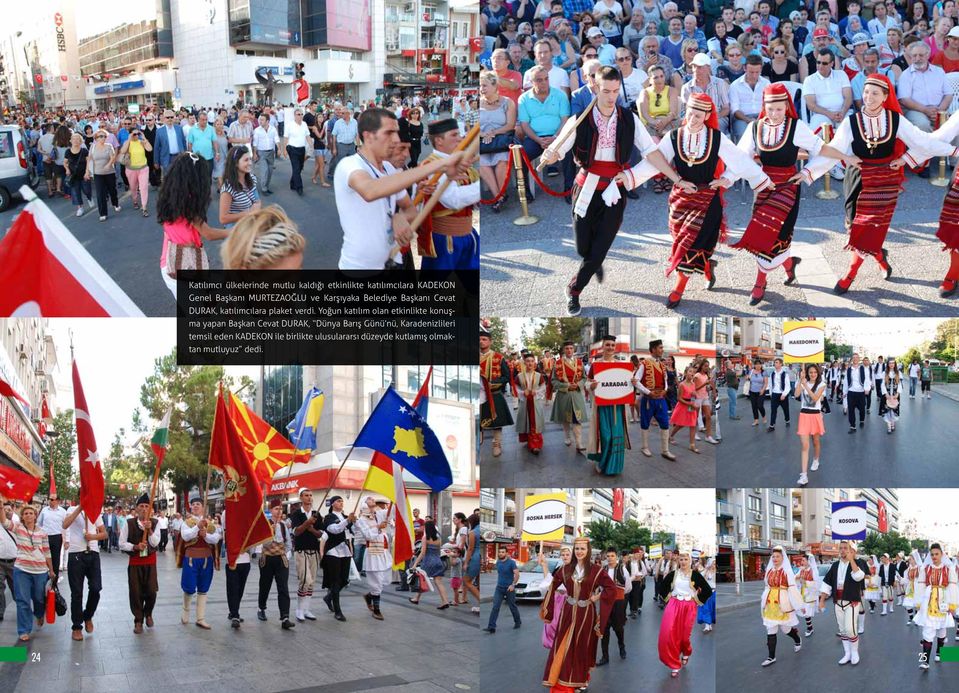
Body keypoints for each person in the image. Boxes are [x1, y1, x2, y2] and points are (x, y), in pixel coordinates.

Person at [541, 67, 685, 315]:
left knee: (600, 246)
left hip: (614, 189)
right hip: (586, 185)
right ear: (595, 88)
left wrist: (675, 178)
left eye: (616, 91)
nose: (611, 97)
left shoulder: (628, 119)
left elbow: (651, 151)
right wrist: (551, 154)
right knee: (583, 246)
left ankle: (574, 290)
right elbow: (557, 150)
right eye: (606, 91)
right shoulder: (580, 119)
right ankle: (592, 261)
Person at [802, 75, 959, 293]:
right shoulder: (851, 122)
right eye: (866, 92)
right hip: (858, 178)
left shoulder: (895, 119)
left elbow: (923, 141)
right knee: (854, 227)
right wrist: (807, 172)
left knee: (871, 227)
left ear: (886, 96)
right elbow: (833, 151)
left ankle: (850, 274)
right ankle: (879, 257)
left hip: (885, 180)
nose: (869, 97)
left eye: (875, 93)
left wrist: (915, 158)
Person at [619, 93, 773, 308]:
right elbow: (656, 162)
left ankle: (678, 289)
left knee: (690, 246)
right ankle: (707, 267)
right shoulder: (674, 136)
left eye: (699, 116)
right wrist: (629, 176)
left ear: (708, 115)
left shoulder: (716, 138)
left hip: (708, 200)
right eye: (690, 113)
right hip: (680, 199)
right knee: (683, 241)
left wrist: (730, 179)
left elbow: (740, 160)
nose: (693, 119)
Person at [732, 85, 852, 304]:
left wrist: (810, 171)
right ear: (764, 107)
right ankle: (789, 265)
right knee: (763, 234)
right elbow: (740, 158)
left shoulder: (796, 127)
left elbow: (821, 149)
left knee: (776, 235)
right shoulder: (755, 128)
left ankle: (760, 283)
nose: (775, 113)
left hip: (788, 186)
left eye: (779, 108)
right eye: (770, 108)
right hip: (763, 187)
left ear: (786, 106)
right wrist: (731, 178)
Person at [335, 108, 467, 270]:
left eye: (396, 132)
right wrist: (441, 164)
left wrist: (400, 217)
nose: (396, 139)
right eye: (389, 133)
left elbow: (411, 210)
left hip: (394, 261)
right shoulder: (349, 165)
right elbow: (370, 191)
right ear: (368, 136)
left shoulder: (389, 170)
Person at [540, 536, 618, 689]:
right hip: (568, 612)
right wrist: (544, 566)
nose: (579, 551)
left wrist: (597, 596)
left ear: (588, 550)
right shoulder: (565, 569)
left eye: (582, 549)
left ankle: (581, 677)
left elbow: (611, 588)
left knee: (582, 645)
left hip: (586, 613)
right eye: (577, 548)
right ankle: (561, 677)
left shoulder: (596, 570)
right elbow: (551, 585)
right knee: (563, 644)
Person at [156, 152, 229, 298]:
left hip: (169, 262)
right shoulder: (189, 202)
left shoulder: (169, 195)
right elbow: (208, 234)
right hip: (186, 266)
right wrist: (235, 231)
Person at [417, 118, 481, 270]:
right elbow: (453, 200)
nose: (460, 138)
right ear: (439, 140)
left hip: (468, 233)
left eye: (459, 133)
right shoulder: (431, 165)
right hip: (445, 239)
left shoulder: (461, 163)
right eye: (454, 135)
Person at [1, 503, 53, 642]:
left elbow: (47, 552)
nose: (28, 515)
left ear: (35, 516)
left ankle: (39, 614)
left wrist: (52, 570)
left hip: (40, 571)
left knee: (38, 598)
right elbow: (5, 522)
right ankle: (24, 630)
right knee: (22, 600)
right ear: (22, 517)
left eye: (31, 513)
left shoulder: (42, 532)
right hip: (22, 570)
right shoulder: (18, 529)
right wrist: (1, 506)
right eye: (25, 513)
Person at [658, 549, 714, 678]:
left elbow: (707, 590)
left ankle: (686, 652)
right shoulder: (673, 574)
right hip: (674, 604)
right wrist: (668, 597)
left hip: (689, 606)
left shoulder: (695, 575)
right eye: (681, 559)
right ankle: (674, 664)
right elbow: (662, 587)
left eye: (686, 559)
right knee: (668, 633)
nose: (683, 562)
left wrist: (696, 599)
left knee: (684, 636)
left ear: (690, 561)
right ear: (678, 561)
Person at [586, 335, 631, 474]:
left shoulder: (622, 365)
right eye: (608, 345)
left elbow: (626, 384)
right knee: (605, 436)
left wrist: (633, 383)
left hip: (617, 407)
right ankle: (602, 462)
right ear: (603, 346)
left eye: (612, 345)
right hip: (602, 407)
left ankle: (614, 467)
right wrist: (591, 386)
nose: (610, 347)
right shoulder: (596, 365)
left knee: (617, 436)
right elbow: (587, 383)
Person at [61, 500, 106, 641]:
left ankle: (88, 615)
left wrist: (93, 537)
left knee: (96, 588)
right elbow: (65, 524)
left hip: (93, 553)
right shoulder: (71, 510)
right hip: (76, 554)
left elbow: (104, 534)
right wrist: (80, 508)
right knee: (77, 593)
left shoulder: (95, 511)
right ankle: (76, 626)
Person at [819, 540, 869, 665]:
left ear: (850, 550)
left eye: (845, 548)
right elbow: (826, 583)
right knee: (842, 630)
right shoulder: (835, 565)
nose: (842, 550)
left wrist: (851, 559)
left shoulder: (857, 563)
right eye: (840, 548)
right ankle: (847, 653)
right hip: (838, 602)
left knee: (850, 629)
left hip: (852, 601)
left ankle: (855, 652)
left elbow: (858, 576)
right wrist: (822, 601)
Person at [176, 495, 221, 630]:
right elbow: (185, 536)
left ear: (203, 507)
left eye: (198, 504)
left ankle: (200, 618)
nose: (195, 506)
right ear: (191, 506)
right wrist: (197, 528)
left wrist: (205, 535)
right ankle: (185, 611)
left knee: (203, 588)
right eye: (193, 504)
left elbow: (216, 538)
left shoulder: (211, 523)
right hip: (191, 560)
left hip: (206, 560)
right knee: (189, 587)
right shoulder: (186, 522)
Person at [118, 494, 160, 634]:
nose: (144, 509)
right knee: (135, 592)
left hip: (150, 563)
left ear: (150, 509)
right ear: (136, 509)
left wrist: (150, 530)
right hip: (135, 563)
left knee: (151, 591)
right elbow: (121, 543)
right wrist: (135, 547)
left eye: (146, 506)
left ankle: (148, 613)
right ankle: (138, 620)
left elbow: (155, 543)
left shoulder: (155, 522)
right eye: (141, 506)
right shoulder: (129, 523)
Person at [914, 543, 958, 669]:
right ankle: (924, 661)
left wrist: (952, 604)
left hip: (943, 600)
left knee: (942, 629)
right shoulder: (925, 568)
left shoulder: (948, 569)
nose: (934, 556)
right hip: (929, 601)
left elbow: (952, 586)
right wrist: (918, 602)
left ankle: (939, 652)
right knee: (927, 631)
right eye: (932, 554)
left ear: (941, 554)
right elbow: (921, 585)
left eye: (936, 554)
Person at [759, 546, 804, 667]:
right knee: (771, 628)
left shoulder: (787, 572)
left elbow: (793, 589)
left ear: (782, 558)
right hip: (770, 602)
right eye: (773, 556)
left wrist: (799, 605)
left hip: (783, 602)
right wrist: (764, 600)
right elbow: (766, 586)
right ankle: (771, 657)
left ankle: (797, 639)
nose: (775, 558)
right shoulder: (769, 571)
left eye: (777, 556)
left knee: (785, 629)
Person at [634, 339, 678, 461]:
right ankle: (645, 447)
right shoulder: (644, 364)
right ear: (653, 349)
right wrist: (648, 392)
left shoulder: (662, 365)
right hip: (648, 399)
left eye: (662, 347)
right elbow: (635, 381)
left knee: (665, 422)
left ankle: (665, 450)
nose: (662, 350)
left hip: (661, 399)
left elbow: (664, 380)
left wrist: (665, 389)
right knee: (645, 423)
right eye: (660, 348)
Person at [257, 502, 295, 629]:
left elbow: (289, 543)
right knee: (265, 585)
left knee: (283, 587)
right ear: (270, 510)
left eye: (281, 508)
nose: (279, 511)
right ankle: (261, 608)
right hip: (267, 558)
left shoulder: (284, 525)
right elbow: (263, 543)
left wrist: (284, 553)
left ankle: (285, 616)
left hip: (281, 559)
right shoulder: (265, 524)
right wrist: (270, 533)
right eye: (276, 508)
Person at [319, 495, 355, 622]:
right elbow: (334, 530)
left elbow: (353, 531)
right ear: (333, 504)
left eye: (342, 501)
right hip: (333, 551)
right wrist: (347, 521)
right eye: (339, 501)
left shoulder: (346, 517)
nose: (341, 503)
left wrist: (354, 521)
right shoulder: (329, 518)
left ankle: (328, 598)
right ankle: (338, 611)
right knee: (335, 581)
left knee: (344, 580)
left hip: (345, 550)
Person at [289, 487, 322, 622]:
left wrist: (312, 529)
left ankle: (306, 608)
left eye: (310, 495)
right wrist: (307, 523)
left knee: (312, 582)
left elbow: (321, 533)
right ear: (301, 498)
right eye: (306, 495)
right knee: (304, 580)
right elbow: (296, 532)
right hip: (301, 551)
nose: (309, 497)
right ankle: (299, 609)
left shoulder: (317, 514)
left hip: (314, 551)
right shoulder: (296, 514)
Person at [551, 340, 589, 450]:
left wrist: (578, 385)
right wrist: (567, 386)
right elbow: (554, 381)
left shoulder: (579, 362)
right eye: (567, 348)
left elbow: (584, 377)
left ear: (574, 350)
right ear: (564, 350)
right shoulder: (557, 363)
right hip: (564, 395)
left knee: (577, 418)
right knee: (565, 418)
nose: (569, 350)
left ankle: (579, 443)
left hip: (576, 394)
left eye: (571, 348)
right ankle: (567, 436)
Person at [220, 506, 252, 629]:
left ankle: (234, 610)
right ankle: (235, 615)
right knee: (233, 588)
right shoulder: (226, 513)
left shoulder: (248, 512)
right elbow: (227, 532)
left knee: (240, 589)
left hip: (246, 559)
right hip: (233, 559)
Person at [795, 364, 827, 486]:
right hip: (804, 415)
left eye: (814, 372)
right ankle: (804, 475)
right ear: (807, 373)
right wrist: (800, 381)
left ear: (818, 373)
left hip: (815, 415)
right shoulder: (804, 382)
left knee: (816, 441)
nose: (812, 374)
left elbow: (814, 398)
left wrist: (806, 386)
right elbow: (797, 395)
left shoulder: (821, 385)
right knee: (804, 445)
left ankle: (816, 459)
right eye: (810, 372)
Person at [409, 520, 452, 609]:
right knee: (439, 582)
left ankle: (416, 598)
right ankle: (445, 601)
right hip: (438, 561)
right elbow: (439, 550)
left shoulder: (425, 538)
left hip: (428, 561)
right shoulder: (438, 538)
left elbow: (423, 553)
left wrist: (415, 564)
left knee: (421, 579)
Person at [598, 547, 631, 664]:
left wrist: (618, 596)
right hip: (606, 603)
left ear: (616, 557)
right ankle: (605, 656)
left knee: (618, 628)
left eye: (612, 556)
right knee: (604, 629)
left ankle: (622, 647)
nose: (610, 558)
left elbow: (628, 587)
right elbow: (600, 586)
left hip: (618, 602)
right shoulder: (603, 570)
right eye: (608, 556)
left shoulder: (622, 569)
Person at [218, 147, 261, 226]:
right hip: (237, 231)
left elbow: (257, 201)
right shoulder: (228, 188)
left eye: (250, 159)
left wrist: (255, 209)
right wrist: (248, 213)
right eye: (246, 160)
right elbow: (223, 218)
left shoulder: (252, 179)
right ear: (236, 163)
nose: (250, 163)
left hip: (251, 226)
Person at [515, 351, 547, 454]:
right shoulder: (519, 376)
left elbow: (543, 387)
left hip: (535, 402)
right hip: (525, 403)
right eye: (528, 361)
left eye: (532, 361)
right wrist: (522, 392)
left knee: (534, 422)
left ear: (535, 363)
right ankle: (529, 441)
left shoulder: (539, 375)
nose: (530, 363)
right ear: (524, 362)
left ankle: (535, 445)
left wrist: (536, 392)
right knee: (526, 421)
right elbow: (515, 388)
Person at [484, 545, 521, 633]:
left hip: (509, 589)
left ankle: (518, 621)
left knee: (512, 606)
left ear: (506, 553)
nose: (500, 554)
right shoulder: (498, 562)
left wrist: (512, 585)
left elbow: (517, 574)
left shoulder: (511, 563)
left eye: (502, 552)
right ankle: (491, 627)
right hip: (499, 588)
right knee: (495, 607)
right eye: (499, 552)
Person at [86, 129, 121, 222]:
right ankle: (103, 213)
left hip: (109, 172)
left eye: (105, 136)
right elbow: (89, 159)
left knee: (112, 190)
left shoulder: (109, 146)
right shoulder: (92, 147)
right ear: (96, 138)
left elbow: (113, 157)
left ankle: (115, 204)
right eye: (101, 136)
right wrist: (87, 172)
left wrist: (109, 164)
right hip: (98, 173)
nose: (103, 138)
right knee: (100, 193)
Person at [669, 366, 702, 453]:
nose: (692, 373)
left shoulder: (693, 384)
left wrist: (695, 395)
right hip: (683, 405)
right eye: (690, 371)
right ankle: (671, 436)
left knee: (693, 425)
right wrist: (689, 403)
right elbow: (679, 398)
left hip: (691, 406)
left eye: (693, 372)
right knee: (680, 424)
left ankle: (692, 445)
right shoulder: (681, 385)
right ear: (685, 373)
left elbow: (693, 396)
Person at [37, 494, 66, 583]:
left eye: (53, 500)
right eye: (50, 499)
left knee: (55, 559)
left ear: (57, 501)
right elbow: (39, 523)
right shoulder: (44, 510)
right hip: (45, 537)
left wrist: (67, 540)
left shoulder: (62, 512)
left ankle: (54, 580)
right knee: (44, 557)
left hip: (57, 537)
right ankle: (43, 578)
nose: (51, 501)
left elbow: (66, 526)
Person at [64, 132, 94, 217]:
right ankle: (80, 208)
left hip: (84, 174)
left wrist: (87, 171)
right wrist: (67, 169)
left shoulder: (84, 151)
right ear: (71, 141)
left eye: (78, 139)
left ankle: (89, 197)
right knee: (75, 192)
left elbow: (88, 161)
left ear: (81, 141)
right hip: (73, 176)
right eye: (74, 139)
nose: (75, 141)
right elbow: (65, 162)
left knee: (87, 189)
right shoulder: (68, 151)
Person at [250, 113, 280, 196]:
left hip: (271, 152)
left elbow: (276, 139)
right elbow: (255, 143)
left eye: (262, 120)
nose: (260, 121)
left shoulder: (273, 129)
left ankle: (266, 186)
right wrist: (255, 153)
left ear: (267, 121)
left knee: (270, 171)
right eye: (260, 119)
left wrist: (279, 149)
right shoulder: (257, 130)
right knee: (264, 171)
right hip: (261, 153)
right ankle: (264, 189)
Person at [154, 110, 187, 176]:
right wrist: (156, 161)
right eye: (167, 117)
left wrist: (185, 155)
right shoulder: (159, 131)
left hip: (179, 157)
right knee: (168, 178)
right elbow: (156, 147)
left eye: (171, 117)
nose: (170, 119)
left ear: (174, 118)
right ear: (164, 118)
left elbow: (183, 142)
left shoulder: (179, 128)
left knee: (180, 176)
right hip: (166, 158)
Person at [796, 553, 821, 636]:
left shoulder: (813, 570)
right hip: (802, 592)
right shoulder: (802, 570)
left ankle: (809, 628)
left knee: (806, 612)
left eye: (803, 560)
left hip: (810, 594)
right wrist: (795, 578)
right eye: (801, 560)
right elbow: (796, 577)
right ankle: (809, 627)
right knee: (803, 611)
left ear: (808, 561)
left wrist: (806, 582)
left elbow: (817, 584)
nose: (802, 562)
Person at [765, 358, 793, 430]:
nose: (775, 364)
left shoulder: (785, 374)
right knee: (773, 410)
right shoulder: (772, 374)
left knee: (785, 409)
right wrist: (771, 393)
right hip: (775, 394)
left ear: (781, 364)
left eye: (777, 362)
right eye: (775, 362)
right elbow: (771, 384)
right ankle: (772, 425)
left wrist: (784, 394)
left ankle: (787, 420)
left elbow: (788, 386)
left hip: (782, 394)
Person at [627, 547, 650, 618]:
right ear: (633, 554)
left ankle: (635, 611)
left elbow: (645, 572)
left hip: (637, 582)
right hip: (630, 582)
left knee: (636, 596)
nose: (638, 555)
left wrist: (640, 577)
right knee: (630, 596)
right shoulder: (629, 562)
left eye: (638, 554)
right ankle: (631, 610)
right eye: (636, 554)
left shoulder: (641, 562)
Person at [881, 362, 902, 432]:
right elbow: (882, 385)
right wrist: (885, 393)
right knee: (887, 411)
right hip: (886, 395)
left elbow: (900, 384)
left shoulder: (898, 373)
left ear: (895, 364)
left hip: (895, 395)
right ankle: (889, 426)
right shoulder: (885, 373)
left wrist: (898, 393)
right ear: (888, 364)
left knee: (893, 410)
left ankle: (893, 423)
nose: (891, 364)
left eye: (893, 363)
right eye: (890, 363)